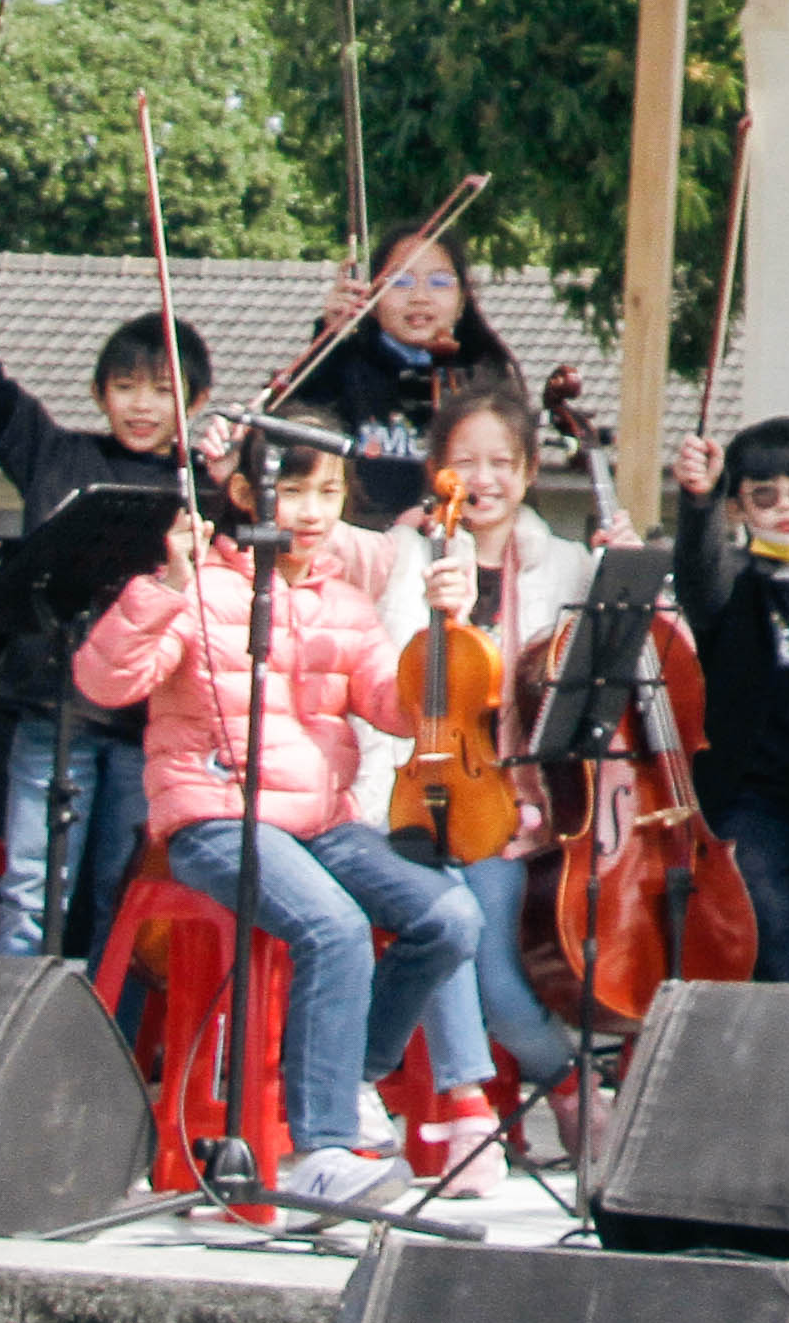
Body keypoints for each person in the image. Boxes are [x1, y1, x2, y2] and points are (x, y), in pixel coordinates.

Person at [74, 399, 491, 1207]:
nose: (311, 513)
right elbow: (103, 682)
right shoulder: (203, 589)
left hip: (321, 821)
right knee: (334, 927)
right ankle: (325, 1147)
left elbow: (401, 709)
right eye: (293, 491)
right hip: (214, 814)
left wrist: (447, 629)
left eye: (327, 494)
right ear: (245, 494)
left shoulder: (346, 603)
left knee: (450, 917)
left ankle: (350, 1075)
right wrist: (166, 588)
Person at [0, 214, 199, 962]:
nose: (142, 406)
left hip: (147, 724)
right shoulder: (54, 455)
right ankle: (21, 1026)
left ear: (194, 404)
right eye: (125, 387)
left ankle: (104, 1028)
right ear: (99, 393)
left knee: (120, 898)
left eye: (162, 391)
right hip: (52, 708)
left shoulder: (200, 484)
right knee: (33, 892)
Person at [376, 382, 603, 1154]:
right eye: (465, 462)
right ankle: (474, 1106)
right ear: (437, 470)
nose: (483, 480)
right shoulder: (405, 554)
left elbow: (645, 661)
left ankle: (560, 1083)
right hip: (408, 801)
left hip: (517, 808)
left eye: (501, 463)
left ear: (530, 471)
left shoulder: (567, 567)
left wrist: (628, 571)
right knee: (454, 935)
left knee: (501, 979)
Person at [662, 415, 789, 985]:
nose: (785, 508)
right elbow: (699, 572)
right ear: (737, 508)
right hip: (751, 798)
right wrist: (698, 501)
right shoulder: (729, 581)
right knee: (770, 917)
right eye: (763, 496)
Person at [311, 219, 521, 528]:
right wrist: (328, 340)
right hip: (361, 540)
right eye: (400, 281)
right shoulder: (342, 365)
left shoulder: (487, 377)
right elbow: (298, 432)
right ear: (372, 296)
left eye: (439, 282)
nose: (419, 297)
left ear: (462, 300)